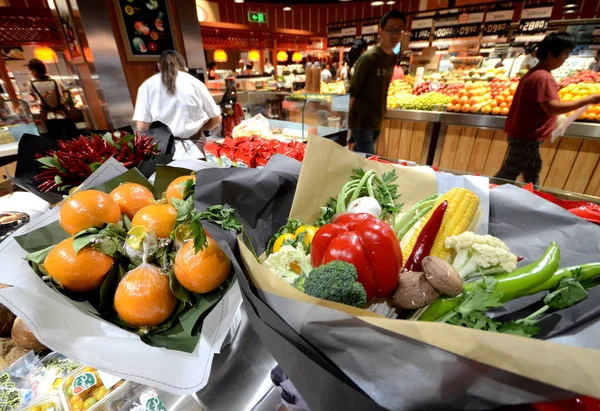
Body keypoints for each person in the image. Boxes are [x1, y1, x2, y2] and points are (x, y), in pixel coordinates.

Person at [494, 33, 600, 186]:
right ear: (551, 54)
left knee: (530, 171)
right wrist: (588, 99)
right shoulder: (543, 77)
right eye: (565, 54)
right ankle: (487, 197)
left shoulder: (535, 73)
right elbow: (551, 107)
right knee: (507, 174)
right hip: (527, 136)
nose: (565, 59)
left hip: (524, 135)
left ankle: (532, 199)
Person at [133, 50, 222, 159]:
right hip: (196, 148)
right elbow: (216, 120)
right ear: (184, 65)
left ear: (159, 66)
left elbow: (142, 127)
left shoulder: (146, 86)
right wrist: (199, 128)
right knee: (199, 175)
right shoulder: (195, 83)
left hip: (162, 150)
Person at [348, 10, 405, 154]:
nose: (395, 35)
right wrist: (346, 121)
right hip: (361, 120)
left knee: (359, 155)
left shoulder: (392, 57)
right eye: (390, 29)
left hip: (377, 119)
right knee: (368, 160)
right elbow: (353, 90)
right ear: (381, 31)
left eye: (399, 30)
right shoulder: (369, 58)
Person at [27, 58, 77, 138]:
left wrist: (43, 103)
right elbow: (66, 94)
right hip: (63, 114)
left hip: (49, 116)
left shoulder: (31, 84)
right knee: (72, 138)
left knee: (57, 140)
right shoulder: (56, 81)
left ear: (34, 70)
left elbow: (35, 98)